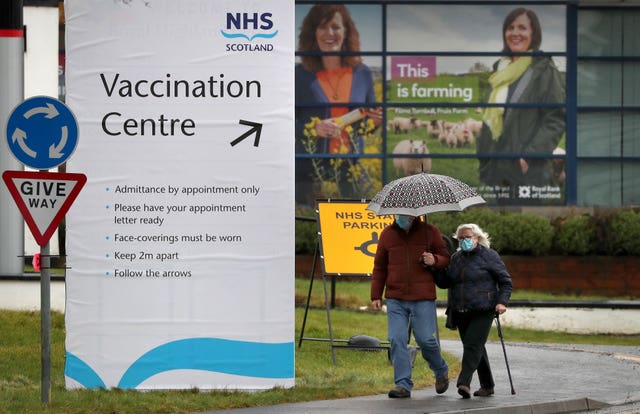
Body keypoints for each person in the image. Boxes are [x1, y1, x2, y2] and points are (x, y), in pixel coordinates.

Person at [295, 4, 382, 206]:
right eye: (322, 27)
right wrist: (314, 129)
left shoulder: (363, 73)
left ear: (346, 32)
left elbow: (366, 124)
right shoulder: (299, 75)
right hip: (307, 168)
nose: (329, 33)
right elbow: (284, 122)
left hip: (350, 165)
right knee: (306, 225)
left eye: (335, 27)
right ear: (313, 33)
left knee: (363, 215)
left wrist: (376, 122)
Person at [477, 8, 565, 198]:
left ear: (533, 34)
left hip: (526, 171)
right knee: (499, 220)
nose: (515, 33)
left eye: (522, 28)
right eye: (510, 28)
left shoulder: (543, 70)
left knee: (527, 217)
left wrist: (528, 158)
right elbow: (490, 117)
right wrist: (484, 156)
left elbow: (555, 119)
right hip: (497, 167)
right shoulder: (499, 71)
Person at [371, 214, 450, 398]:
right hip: (395, 297)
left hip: (422, 297)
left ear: (414, 215)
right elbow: (380, 267)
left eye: (404, 214)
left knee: (425, 339)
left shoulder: (430, 232)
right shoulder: (387, 234)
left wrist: (434, 260)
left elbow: (447, 258)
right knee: (396, 339)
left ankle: (440, 370)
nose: (400, 217)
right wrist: (376, 295)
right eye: (398, 213)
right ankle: (403, 384)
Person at [445, 223, 513, 399]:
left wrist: (502, 302)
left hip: (484, 308)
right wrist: (432, 266)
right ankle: (487, 385)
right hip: (460, 309)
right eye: (460, 238)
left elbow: (505, 281)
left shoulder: (489, 256)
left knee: (472, 345)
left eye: (467, 237)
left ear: (477, 237)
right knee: (476, 347)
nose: (464, 241)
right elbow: (445, 282)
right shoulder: (456, 258)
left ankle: (464, 382)